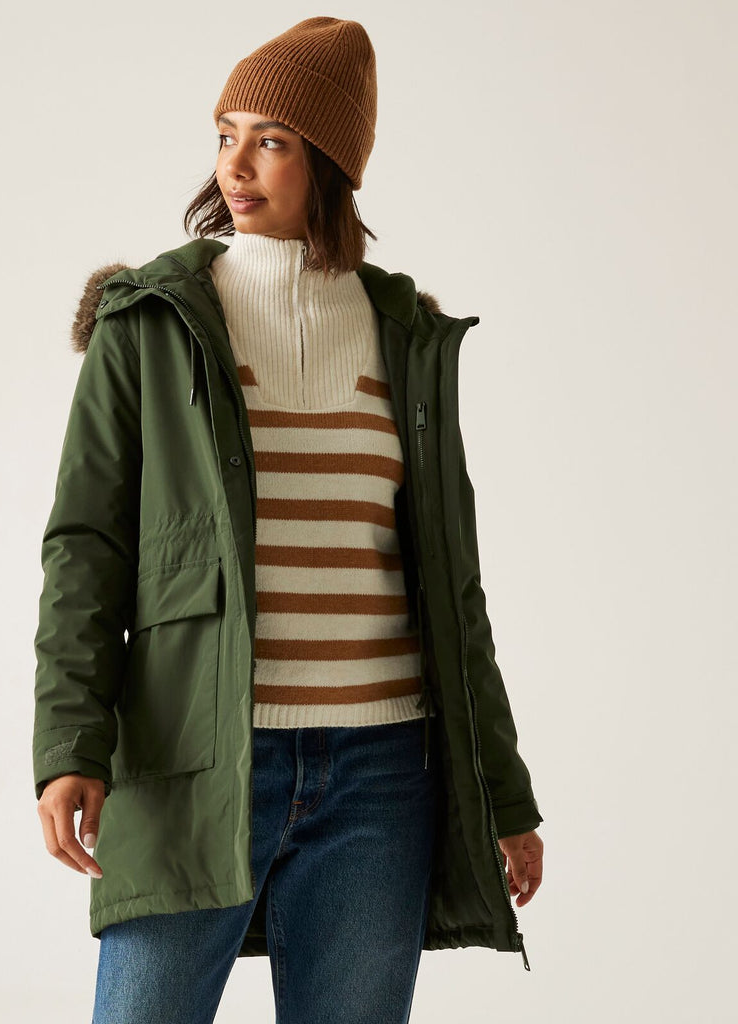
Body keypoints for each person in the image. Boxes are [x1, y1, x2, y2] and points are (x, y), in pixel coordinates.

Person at [33, 16, 545, 1024]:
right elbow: (85, 548)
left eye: (269, 140)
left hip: (382, 775)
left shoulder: (405, 334)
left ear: (330, 164)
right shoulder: (152, 322)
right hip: (194, 756)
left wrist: (504, 792)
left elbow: (453, 587)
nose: (236, 165)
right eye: (226, 135)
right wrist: (69, 744)